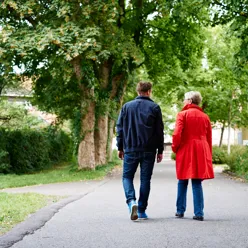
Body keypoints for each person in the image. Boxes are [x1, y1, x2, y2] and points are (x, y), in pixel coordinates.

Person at [116, 81, 164, 221]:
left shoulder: (126, 107)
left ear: (138, 91)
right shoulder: (154, 107)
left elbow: (120, 129)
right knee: (145, 180)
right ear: (149, 91)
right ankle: (141, 210)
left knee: (127, 177)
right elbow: (159, 131)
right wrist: (160, 150)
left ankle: (131, 202)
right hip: (149, 150)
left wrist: (120, 147)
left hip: (130, 148)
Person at [172, 91, 214, 221]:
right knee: (196, 182)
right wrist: (208, 155)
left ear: (190, 101)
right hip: (201, 149)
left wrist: (175, 147)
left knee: (182, 181)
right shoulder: (205, 117)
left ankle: (180, 211)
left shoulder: (182, 115)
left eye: (185, 99)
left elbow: (177, 133)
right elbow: (209, 138)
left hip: (186, 148)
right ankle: (199, 213)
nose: (183, 102)